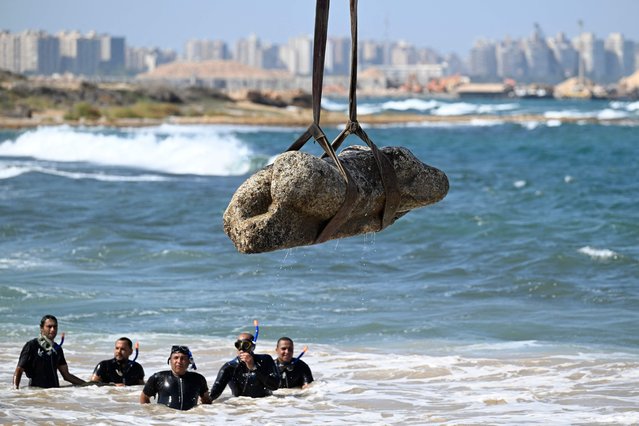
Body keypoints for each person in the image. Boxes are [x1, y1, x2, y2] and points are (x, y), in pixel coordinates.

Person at [13, 314, 86, 389]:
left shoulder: (57, 349)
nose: (53, 329)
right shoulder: (31, 345)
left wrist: (87, 385)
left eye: (55, 327)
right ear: (41, 328)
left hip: (54, 394)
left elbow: (66, 375)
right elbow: (19, 370)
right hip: (36, 394)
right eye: (49, 326)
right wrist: (15, 390)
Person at [209, 332, 279, 400]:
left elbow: (274, 386)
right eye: (238, 345)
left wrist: (254, 367)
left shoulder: (265, 360)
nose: (241, 349)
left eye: (245, 345)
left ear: (253, 347)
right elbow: (214, 393)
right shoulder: (229, 367)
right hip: (241, 406)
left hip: (265, 405)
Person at [140, 345, 211, 410]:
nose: (179, 361)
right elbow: (144, 398)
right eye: (176, 358)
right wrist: (151, 414)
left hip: (190, 419)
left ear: (189, 361)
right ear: (170, 360)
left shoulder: (198, 379)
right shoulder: (158, 377)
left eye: (183, 358)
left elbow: (206, 400)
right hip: (166, 419)